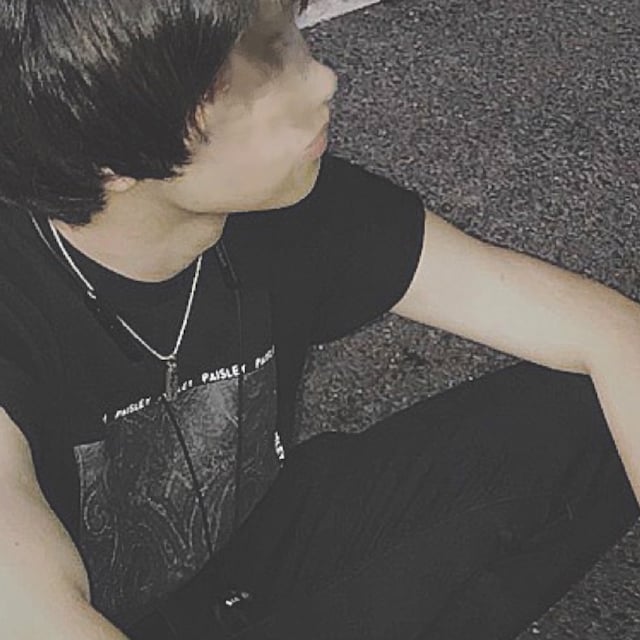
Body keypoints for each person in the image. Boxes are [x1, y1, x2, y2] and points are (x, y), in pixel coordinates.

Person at [0, 0, 638, 638]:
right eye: (252, 79)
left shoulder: (282, 206)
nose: (323, 79)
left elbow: (606, 332)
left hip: (255, 556)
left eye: (285, 39)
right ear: (108, 154)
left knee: (597, 408)